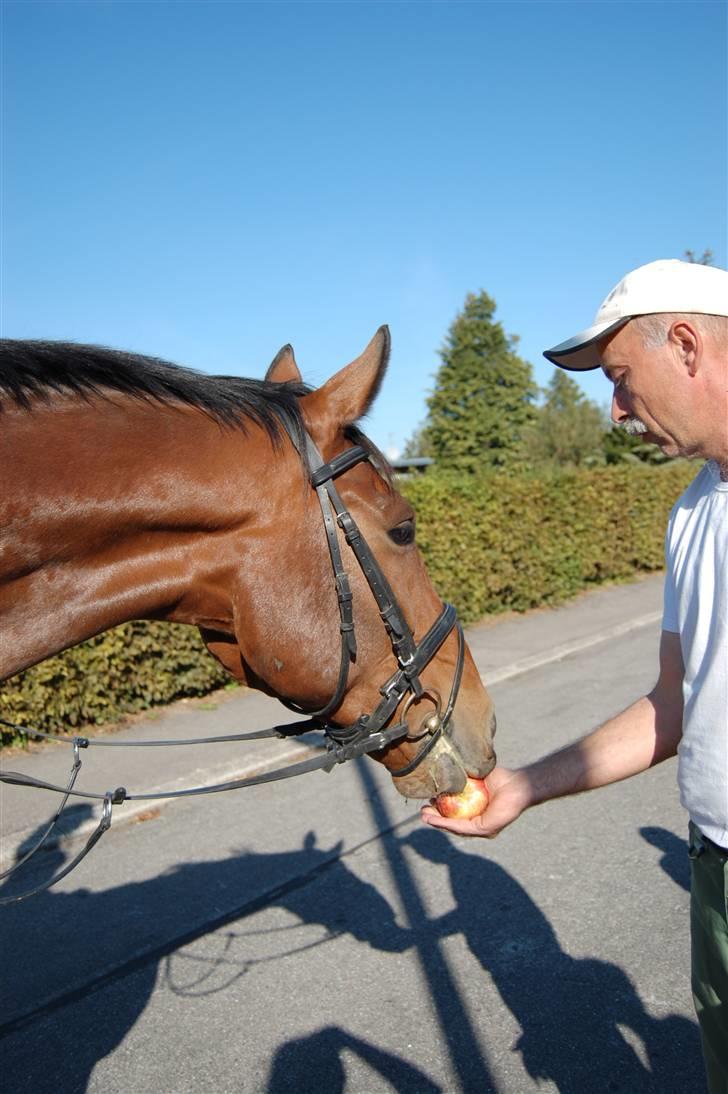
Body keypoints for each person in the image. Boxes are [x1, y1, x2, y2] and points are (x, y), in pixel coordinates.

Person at [421, 258, 728, 1093]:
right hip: (715, 868)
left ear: (690, 346)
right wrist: (525, 785)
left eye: (622, 378)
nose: (617, 409)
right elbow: (675, 707)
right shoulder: (694, 512)